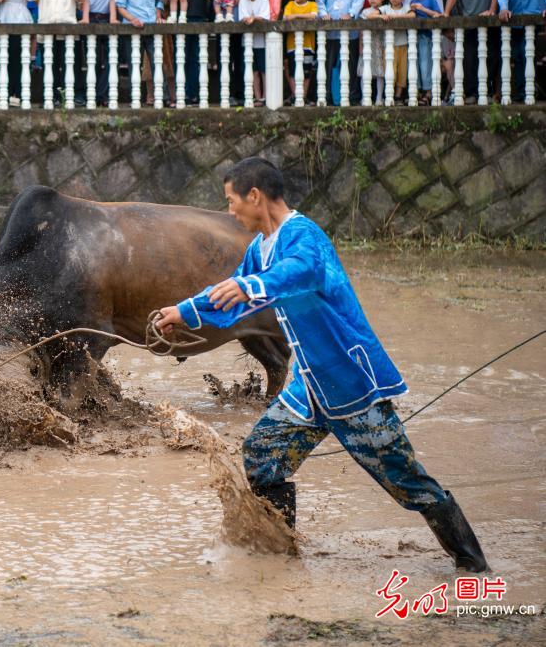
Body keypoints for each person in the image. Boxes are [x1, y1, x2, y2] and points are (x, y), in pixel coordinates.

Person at [155, 157, 489, 574]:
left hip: (353, 386)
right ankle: (282, 554)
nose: (230, 212)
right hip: (309, 387)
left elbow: (302, 273)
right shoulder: (261, 249)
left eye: (231, 201)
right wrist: (184, 311)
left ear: (254, 196)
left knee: (408, 483)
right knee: (262, 455)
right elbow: (232, 293)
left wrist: (249, 286)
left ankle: (472, 564)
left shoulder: (304, 237)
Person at [446, 0, 499, 103]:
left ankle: (489, 91)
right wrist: (446, 13)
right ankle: (472, 93)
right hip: (468, 21)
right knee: (469, 58)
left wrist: (491, 10)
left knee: (492, 56)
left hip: (488, 21)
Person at [315, 0, 364, 105]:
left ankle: (351, 96)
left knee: (350, 64)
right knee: (329, 64)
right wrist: (323, 14)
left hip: (350, 31)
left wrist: (350, 14)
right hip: (330, 31)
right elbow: (319, 0)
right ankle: (329, 97)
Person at [113, 0, 161, 105]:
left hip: (152, 24)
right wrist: (132, 19)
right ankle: (135, 97)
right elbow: (120, 6)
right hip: (132, 26)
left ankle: (159, 96)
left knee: (156, 61)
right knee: (134, 62)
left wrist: (158, 16)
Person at [84, 0, 119, 106]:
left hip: (108, 16)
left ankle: (100, 94)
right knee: (94, 60)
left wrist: (113, 17)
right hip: (91, 16)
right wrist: (85, 18)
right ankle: (96, 94)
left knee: (113, 59)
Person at [282, 0, 317, 102]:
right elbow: (286, 17)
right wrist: (293, 16)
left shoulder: (312, 5)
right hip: (292, 45)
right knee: (292, 70)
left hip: (308, 45)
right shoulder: (290, 5)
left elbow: (313, 16)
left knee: (306, 72)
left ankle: (303, 96)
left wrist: (296, 16)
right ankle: (296, 95)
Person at [237, 0, 270, 106]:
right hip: (248, 42)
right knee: (253, 71)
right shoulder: (243, 0)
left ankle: (266, 96)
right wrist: (251, 18)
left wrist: (254, 18)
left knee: (264, 70)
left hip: (262, 42)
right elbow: (243, 17)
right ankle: (257, 97)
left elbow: (264, 16)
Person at [382, 0, 413, 102]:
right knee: (390, 70)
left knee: (402, 71)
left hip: (403, 44)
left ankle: (398, 96)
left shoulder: (406, 8)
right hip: (389, 46)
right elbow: (371, 15)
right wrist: (381, 16)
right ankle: (389, 94)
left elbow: (412, 16)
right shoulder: (384, 9)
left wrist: (395, 17)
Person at [360, 0, 388, 102]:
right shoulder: (365, 11)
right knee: (364, 72)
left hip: (380, 44)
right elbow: (361, 30)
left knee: (380, 72)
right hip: (368, 44)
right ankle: (365, 97)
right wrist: (360, 45)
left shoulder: (386, 9)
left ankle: (379, 97)